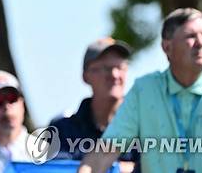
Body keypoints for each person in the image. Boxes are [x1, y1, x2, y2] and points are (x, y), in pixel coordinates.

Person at [79, 8, 202, 172]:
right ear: (167, 47)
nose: (201, 43)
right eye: (191, 36)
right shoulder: (144, 90)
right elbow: (104, 153)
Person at [50, 37, 138, 171]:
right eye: (106, 68)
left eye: (120, 67)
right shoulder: (63, 131)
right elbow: (59, 170)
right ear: (85, 76)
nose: (114, 75)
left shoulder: (146, 127)